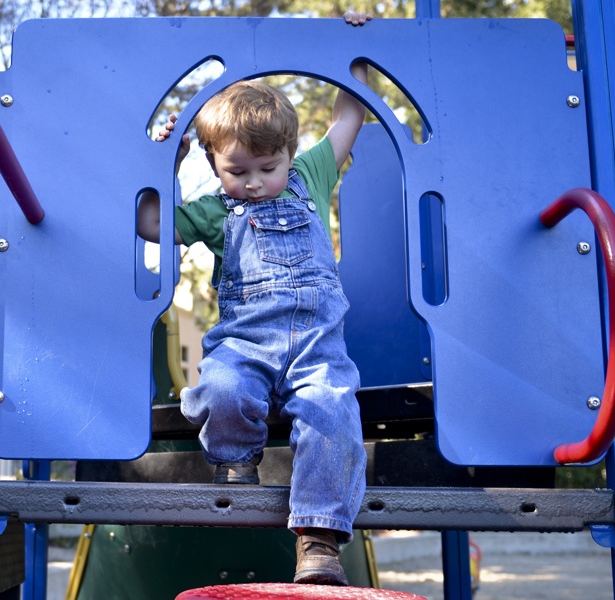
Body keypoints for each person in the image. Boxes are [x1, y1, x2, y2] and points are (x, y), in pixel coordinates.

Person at [136, 11, 373, 586]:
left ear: (290, 154)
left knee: (333, 416)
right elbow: (149, 223)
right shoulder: (216, 210)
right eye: (237, 170)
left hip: (318, 347)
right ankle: (236, 463)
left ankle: (318, 540)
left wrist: (356, 46)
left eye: (268, 167)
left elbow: (351, 113)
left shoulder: (313, 173)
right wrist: (160, 159)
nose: (255, 182)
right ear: (213, 164)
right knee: (219, 387)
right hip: (244, 344)